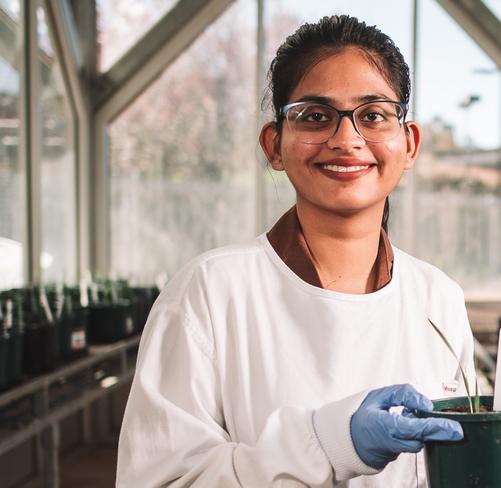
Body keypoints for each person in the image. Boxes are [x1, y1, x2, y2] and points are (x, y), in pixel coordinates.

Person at [116, 15, 476, 487]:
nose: (346, 140)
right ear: (275, 145)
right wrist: (327, 445)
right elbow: (159, 480)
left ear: (408, 144)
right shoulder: (210, 293)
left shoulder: (438, 299)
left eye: (373, 115)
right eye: (315, 116)